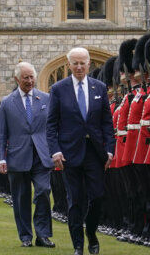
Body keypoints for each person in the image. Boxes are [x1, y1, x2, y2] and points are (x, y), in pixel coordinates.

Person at [46, 47, 116, 255]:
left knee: (97, 197)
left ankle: (91, 233)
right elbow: (51, 125)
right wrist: (55, 151)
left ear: (89, 63)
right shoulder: (58, 89)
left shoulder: (99, 88)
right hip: (69, 153)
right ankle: (78, 245)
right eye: (75, 63)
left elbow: (106, 123)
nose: (79, 67)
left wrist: (110, 149)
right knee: (74, 201)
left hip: (94, 152)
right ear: (69, 65)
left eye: (82, 63)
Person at [0, 62, 55, 248]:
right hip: (17, 156)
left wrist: (55, 151)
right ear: (17, 79)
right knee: (21, 199)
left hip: (41, 155)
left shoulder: (46, 99)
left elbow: (53, 129)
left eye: (32, 77)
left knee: (44, 191)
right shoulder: (7, 103)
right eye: (25, 78)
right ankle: (26, 237)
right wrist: (1, 158)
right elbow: (1, 133)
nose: (30, 81)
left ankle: (43, 235)